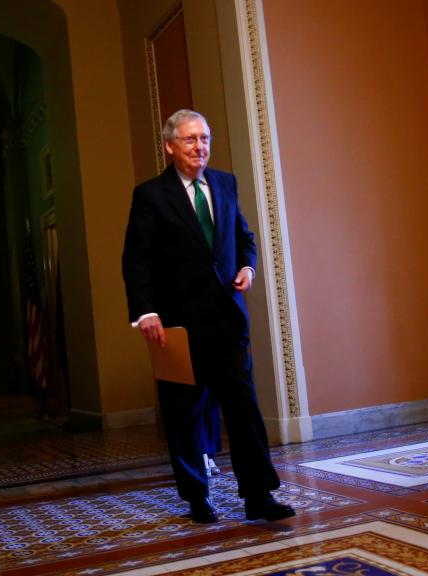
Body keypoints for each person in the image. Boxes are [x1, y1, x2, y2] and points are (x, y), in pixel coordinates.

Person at [122, 109, 294, 524]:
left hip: (227, 323)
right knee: (184, 414)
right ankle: (197, 497)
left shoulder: (225, 183)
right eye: (190, 140)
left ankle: (258, 496)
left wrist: (247, 268)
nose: (200, 147)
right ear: (170, 146)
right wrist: (145, 312)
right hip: (178, 328)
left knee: (244, 410)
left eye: (205, 138)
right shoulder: (150, 195)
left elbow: (244, 238)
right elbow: (137, 260)